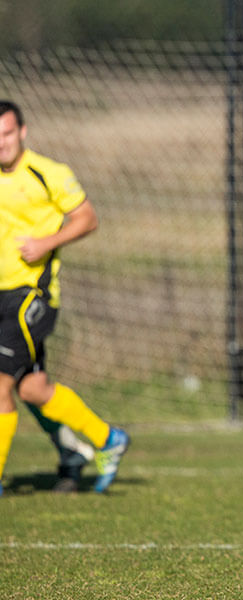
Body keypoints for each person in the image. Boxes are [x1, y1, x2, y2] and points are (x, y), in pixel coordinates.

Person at [0, 100, 129, 495]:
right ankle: (106, 439)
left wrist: (46, 242)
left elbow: (87, 218)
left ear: (22, 132)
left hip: (31, 296)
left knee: (0, 384)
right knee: (31, 389)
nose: (0, 143)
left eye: (6, 134)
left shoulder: (47, 173)